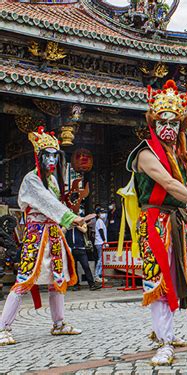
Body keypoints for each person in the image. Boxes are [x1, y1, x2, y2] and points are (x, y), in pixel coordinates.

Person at [124, 80, 187, 365]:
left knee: (176, 277)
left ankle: (164, 331)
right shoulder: (145, 154)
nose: (169, 127)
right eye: (163, 121)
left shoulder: (176, 155)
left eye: (174, 123)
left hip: (176, 222)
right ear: (153, 123)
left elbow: (179, 187)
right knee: (157, 278)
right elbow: (166, 183)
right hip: (155, 223)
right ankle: (164, 342)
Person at [0, 127, 84, 346]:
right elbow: (48, 203)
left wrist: (71, 217)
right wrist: (71, 218)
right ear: (39, 156)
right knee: (25, 278)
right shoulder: (32, 180)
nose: (51, 159)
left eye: (54, 155)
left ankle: (58, 323)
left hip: (53, 234)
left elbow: (55, 204)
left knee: (58, 280)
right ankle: (3, 327)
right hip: (37, 235)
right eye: (46, 155)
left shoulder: (52, 181)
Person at [66, 221, 101, 291]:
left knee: (86, 266)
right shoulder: (67, 224)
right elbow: (62, 231)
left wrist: (76, 225)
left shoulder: (81, 223)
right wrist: (68, 225)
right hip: (71, 249)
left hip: (81, 249)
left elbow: (84, 230)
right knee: (73, 268)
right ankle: (76, 285)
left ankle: (92, 284)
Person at [94, 207, 108, 283]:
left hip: (100, 242)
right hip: (100, 242)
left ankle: (99, 275)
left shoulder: (101, 221)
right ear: (98, 214)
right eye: (102, 213)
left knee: (101, 259)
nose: (103, 214)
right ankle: (97, 275)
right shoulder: (99, 221)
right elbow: (100, 231)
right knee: (100, 260)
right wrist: (104, 241)